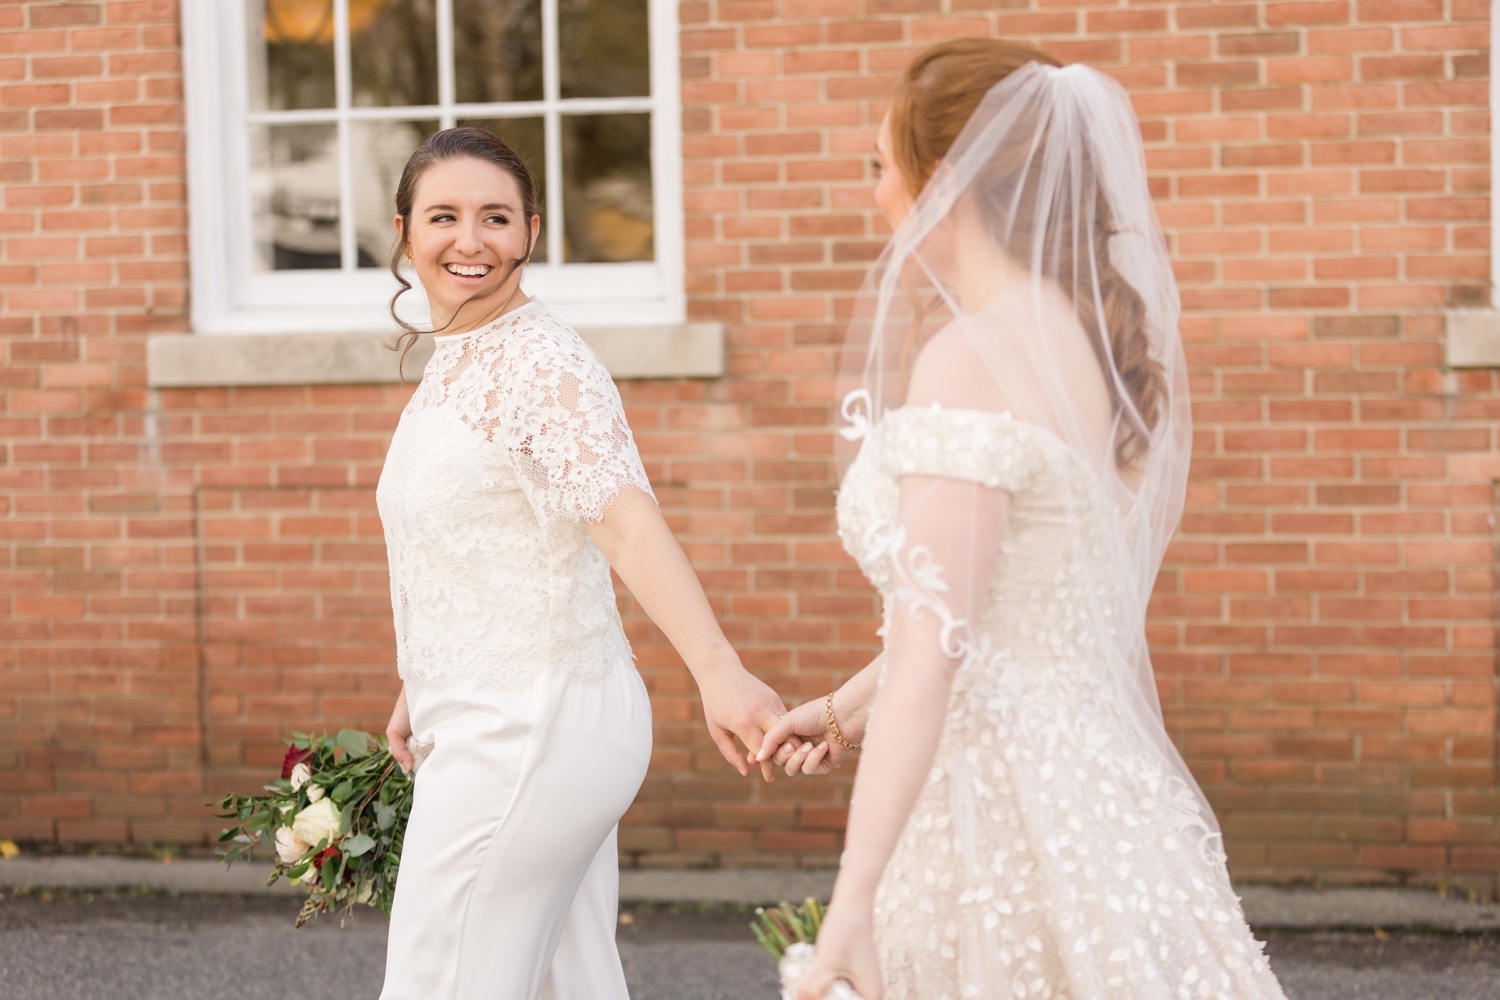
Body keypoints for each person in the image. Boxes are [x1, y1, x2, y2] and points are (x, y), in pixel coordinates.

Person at [756, 40, 1289, 1000]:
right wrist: (841, 710)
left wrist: (854, 898)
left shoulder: (972, 356)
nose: (874, 193)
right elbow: (1000, 613)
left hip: (998, 807)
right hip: (1099, 796)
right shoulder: (1080, 339)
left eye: (881, 166)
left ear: (943, 182)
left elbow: (938, 649)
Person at [374, 127, 785, 1000]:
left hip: (530, 727)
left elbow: (626, 526)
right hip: (494, 713)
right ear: (404, 230)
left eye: (495, 217)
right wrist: (424, 679)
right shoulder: (461, 359)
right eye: (444, 217)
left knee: (440, 982)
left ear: (531, 231)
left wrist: (720, 671)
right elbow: (484, 540)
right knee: (567, 982)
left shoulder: (539, 362)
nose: (469, 241)